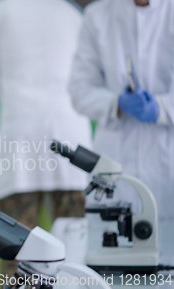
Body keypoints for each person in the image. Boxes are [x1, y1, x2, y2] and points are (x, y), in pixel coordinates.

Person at [0, 0, 92, 277]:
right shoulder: (73, 15)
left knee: (17, 251)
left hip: (19, 130)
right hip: (70, 133)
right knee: (76, 253)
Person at [68, 0, 174, 266]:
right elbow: (79, 90)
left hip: (167, 158)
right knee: (110, 262)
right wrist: (116, 103)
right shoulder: (98, 15)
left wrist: (161, 108)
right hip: (116, 158)